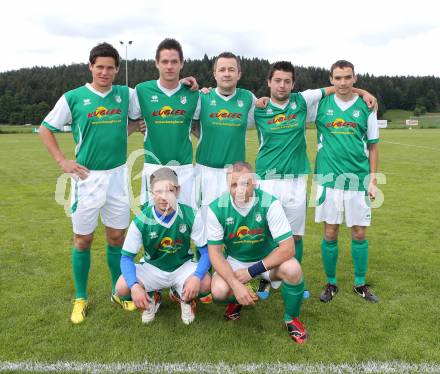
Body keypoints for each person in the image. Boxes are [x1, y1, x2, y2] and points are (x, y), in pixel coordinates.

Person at [39, 42, 143, 324]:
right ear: (91, 67)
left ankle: (116, 291)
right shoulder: (73, 97)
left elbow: (146, 110)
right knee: (83, 240)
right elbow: (46, 129)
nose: (105, 72)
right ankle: (81, 296)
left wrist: (135, 126)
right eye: (100, 67)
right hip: (86, 178)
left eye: (110, 67)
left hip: (118, 176)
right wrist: (63, 161)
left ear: (117, 69)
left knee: (117, 238)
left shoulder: (125, 94)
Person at [254, 61, 376, 272]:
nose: (282, 85)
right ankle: (265, 281)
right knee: (264, 233)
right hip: (266, 178)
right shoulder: (255, 107)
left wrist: (363, 92)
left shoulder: (302, 100)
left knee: (295, 235)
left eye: (287, 81)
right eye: (277, 81)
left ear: (293, 84)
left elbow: (339, 87)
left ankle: (294, 276)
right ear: (268, 82)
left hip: (296, 179)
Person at [207, 162, 308, 343]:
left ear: (254, 182)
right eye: (234, 184)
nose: (239, 190)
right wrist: (235, 284)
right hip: (236, 261)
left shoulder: (269, 203)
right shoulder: (216, 208)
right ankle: (238, 298)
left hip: (267, 260)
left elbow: (288, 248)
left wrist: (250, 272)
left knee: (293, 269)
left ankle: (291, 318)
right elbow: (214, 253)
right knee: (219, 291)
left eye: (245, 183)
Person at [310, 60, 379, 303]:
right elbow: (293, 104)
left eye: (347, 77)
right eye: (338, 78)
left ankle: (360, 284)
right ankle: (331, 283)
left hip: (358, 179)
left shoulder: (367, 106)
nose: (342, 82)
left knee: (359, 233)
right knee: (330, 232)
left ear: (354, 78)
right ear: (331, 80)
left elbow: (373, 145)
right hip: (328, 179)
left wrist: (372, 180)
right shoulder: (320, 105)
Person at [114, 167, 211, 324]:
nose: (164, 197)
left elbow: (206, 252)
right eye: (158, 192)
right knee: (122, 287)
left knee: (206, 282)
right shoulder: (141, 220)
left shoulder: (191, 214)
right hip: (152, 268)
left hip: (182, 267)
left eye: (169, 191)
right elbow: (126, 258)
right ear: (151, 193)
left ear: (177, 191)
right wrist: (134, 286)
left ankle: (185, 298)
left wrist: (196, 277)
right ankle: (152, 297)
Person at [131, 38, 199, 207]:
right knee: (153, 224)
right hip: (153, 167)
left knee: (185, 223)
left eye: (174, 62)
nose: (169, 66)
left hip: (183, 169)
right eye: (165, 61)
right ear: (157, 63)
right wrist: (140, 124)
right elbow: (131, 118)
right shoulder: (141, 90)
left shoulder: (193, 94)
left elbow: (198, 125)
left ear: (181, 64)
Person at [192, 52, 256, 207]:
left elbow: (267, 115)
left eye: (231, 70)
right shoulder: (202, 97)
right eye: (222, 70)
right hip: (205, 171)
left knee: (232, 224)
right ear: (214, 74)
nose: (226, 74)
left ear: (239, 74)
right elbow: (188, 124)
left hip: (235, 175)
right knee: (201, 224)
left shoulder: (248, 98)